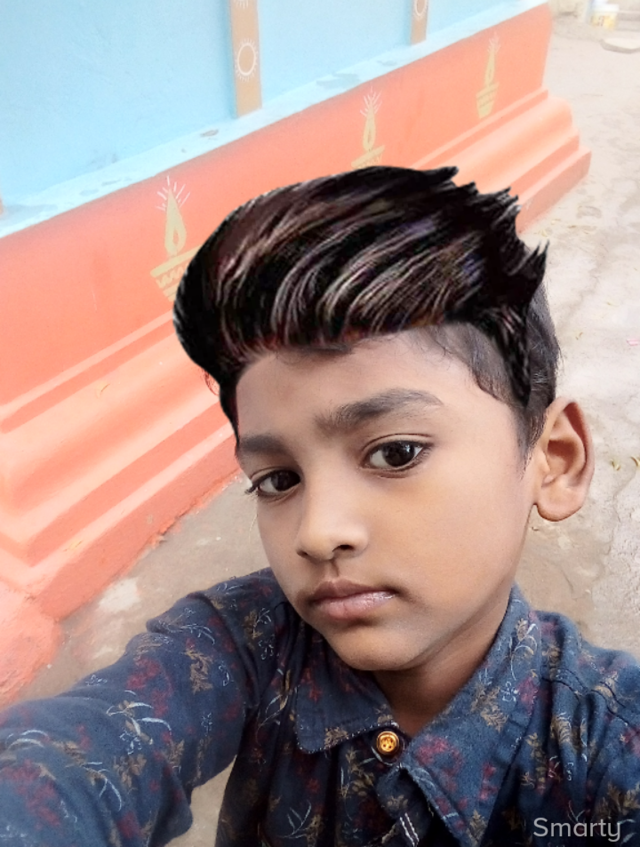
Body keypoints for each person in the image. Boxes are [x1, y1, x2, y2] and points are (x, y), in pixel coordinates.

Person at [0, 166, 638, 847]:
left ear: (554, 459)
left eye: (395, 453)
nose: (317, 532)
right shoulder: (238, 648)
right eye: (278, 479)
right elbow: (73, 759)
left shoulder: (608, 748)